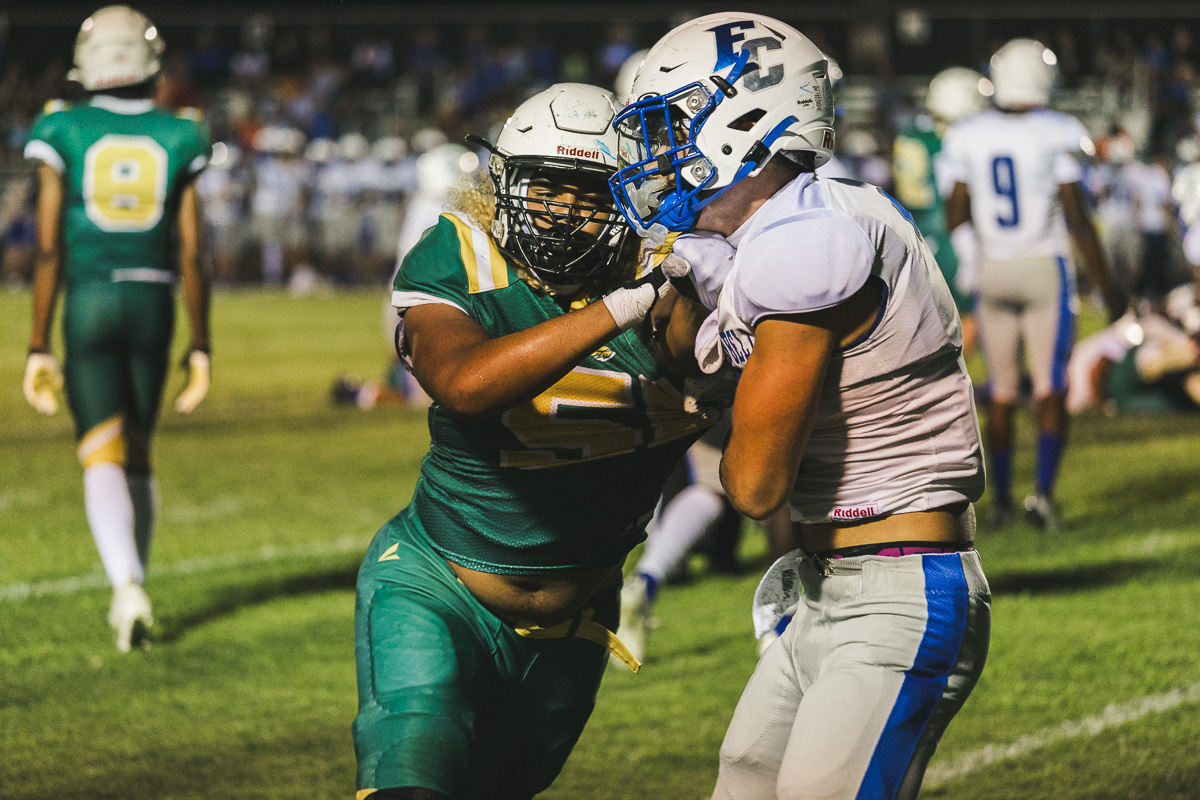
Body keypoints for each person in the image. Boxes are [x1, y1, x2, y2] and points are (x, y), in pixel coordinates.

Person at [609, 13, 990, 799]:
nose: (655, 151)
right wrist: (688, 276)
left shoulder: (809, 243)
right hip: (827, 583)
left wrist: (689, 389)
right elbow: (674, 360)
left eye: (672, 124)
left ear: (744, 124)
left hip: (898, 588)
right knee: (743, 780)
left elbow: (753, 485)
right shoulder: (772, 234)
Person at [352, 83, 711, 800]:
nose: (564, 210)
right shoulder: (461, 252)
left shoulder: (673, 280)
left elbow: (709, 359)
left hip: (577, 618)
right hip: (436, 584)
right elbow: (465, 384)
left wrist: (694, 274)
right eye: (546, 187)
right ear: (506, 182)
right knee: (413, 779)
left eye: (589, 193)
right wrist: (623, 305)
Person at [21, 4, 212, 653]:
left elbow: (49, 246)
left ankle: (127, 585)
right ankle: (135, 579)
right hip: (154, 299)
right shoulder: (183, 130)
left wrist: (38, 343)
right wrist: (202, 345)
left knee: (100, 450)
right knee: (139, 448)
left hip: (91, 296)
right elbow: (193, 251)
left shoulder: (61, 125)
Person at [942, 38, 1125, 530]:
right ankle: (1041, 495)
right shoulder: (1058, 130)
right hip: (1044, 267)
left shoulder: (969, 132)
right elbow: (1077, 218)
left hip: (993, 268)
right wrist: (1108, 288)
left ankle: (1001, 501)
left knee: (1001, 392)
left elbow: (956, 208)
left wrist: (971, 259)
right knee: (1050, 386)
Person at [893, 66, 991, 357]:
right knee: (972, 315)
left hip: (916, 233)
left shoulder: (910, 134)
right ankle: (948, 375)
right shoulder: (956, 138)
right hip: (951, 236)